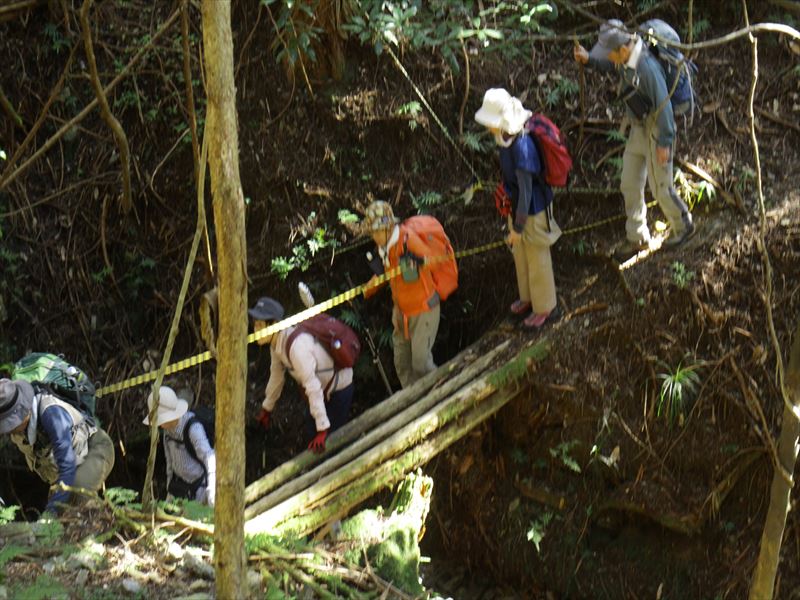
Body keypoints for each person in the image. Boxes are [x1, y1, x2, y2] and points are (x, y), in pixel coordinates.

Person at [574, 19, 695, 258]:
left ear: (623, 49)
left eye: (609, 54)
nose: (609, 58)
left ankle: (683, 226)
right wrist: (589, 60)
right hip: (639, 125)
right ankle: (637, 236)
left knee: (661, 186)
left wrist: (664, 142)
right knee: (629, 181)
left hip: (658, 127)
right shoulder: (624, 57)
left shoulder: (647, 67)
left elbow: (664, 107)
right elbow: (612, 66)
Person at [475, 88, 562, 328]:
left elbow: (526, 189)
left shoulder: (522, 146)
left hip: (533, 209)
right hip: (518, 208)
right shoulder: (505, 139)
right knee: (521, 254)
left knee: (537, 256)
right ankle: (528, 298)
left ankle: (546, 307)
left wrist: (519, 226)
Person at [362, 201, 453, 387]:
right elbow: (386, 274)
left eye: (377, 231)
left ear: (388, 228)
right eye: (372, 232)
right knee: (402, 364)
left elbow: (436, 260)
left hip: (423, 309)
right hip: (401, 313)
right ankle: (414, 400)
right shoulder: (384, 249)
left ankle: (442, 393)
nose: (374, 236)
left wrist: (419, 260)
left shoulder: (407, 239)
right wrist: (366, 290)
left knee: (421, 363)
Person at [250, 297, 355, 453]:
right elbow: (276, 378)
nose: (255, 331)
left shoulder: (296, 347)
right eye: (255, 325)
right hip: (322, 392)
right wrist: (267, 409)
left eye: (259, 325)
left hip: (339, 390)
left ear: (273, 325)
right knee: (312, 436)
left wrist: (322, 429)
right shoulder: (276, 344)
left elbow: (312, 386)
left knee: (332, 442)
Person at [0, 378, 115, 514]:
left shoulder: (52, 415)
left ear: (24, 412)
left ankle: (105, 523)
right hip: (64, 470)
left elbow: (67, 468)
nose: (8, 430)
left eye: (9, 423)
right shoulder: (19, 431)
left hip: (95, 449)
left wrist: (51, 513)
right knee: (63, 514)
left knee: (76, 493)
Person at [143, 386, 215, 506]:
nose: (159, 424)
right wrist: (169, 490)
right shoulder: (167, 431)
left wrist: (212, 492)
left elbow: (210, 458)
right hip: (181, 488)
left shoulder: (193, 429)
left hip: (200, 489)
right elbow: (169, 461)